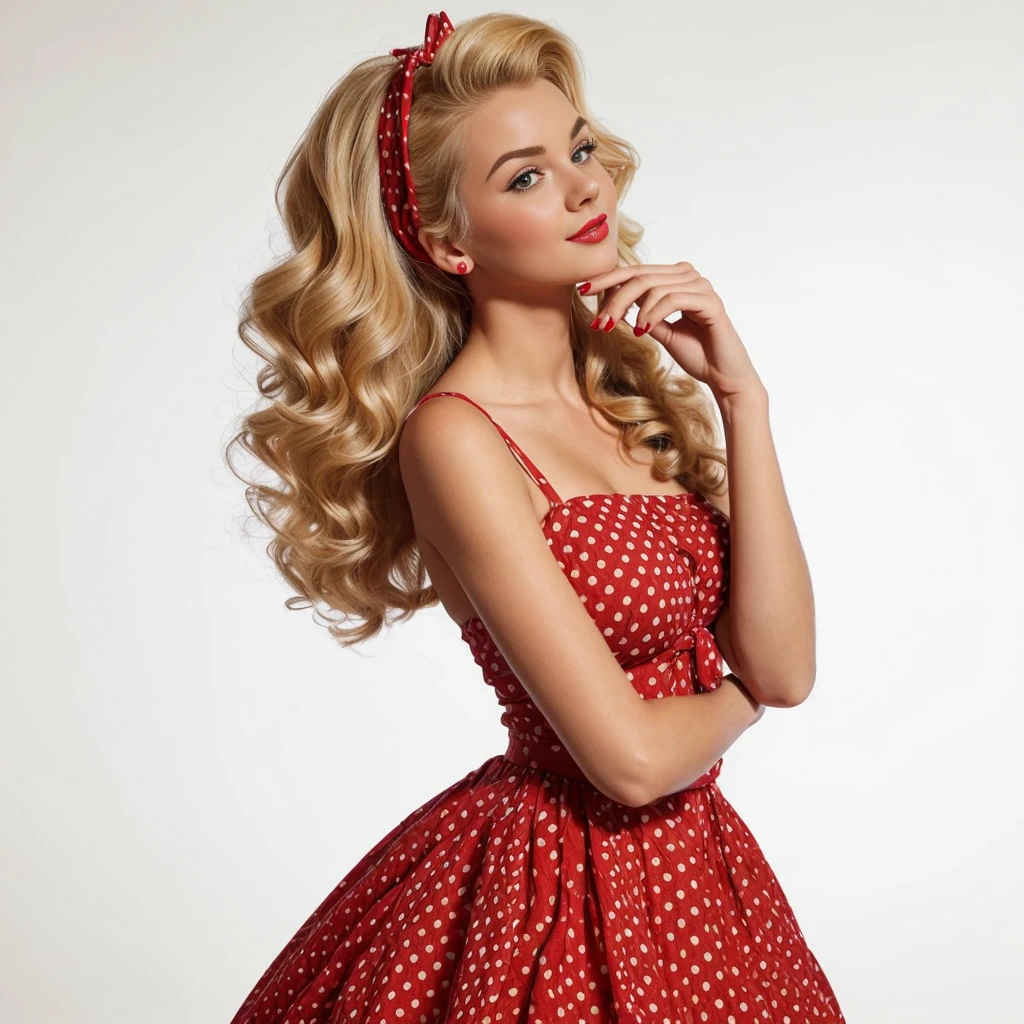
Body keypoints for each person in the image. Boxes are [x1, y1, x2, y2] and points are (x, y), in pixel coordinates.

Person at [223, 10, 847, 1022]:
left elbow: (787, 663)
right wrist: (745, 697)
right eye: (524, 175)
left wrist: (744, 400)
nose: (583, 186)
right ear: (444, 240)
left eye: (580, 149)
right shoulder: (456, 437)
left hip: (706, 885)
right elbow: (633, 761)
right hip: (555, 894)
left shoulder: (625, 398)